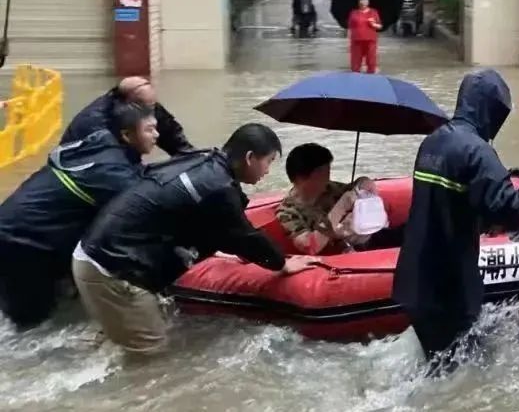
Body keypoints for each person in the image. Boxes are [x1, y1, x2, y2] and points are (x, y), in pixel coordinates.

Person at [392, 69, 519, 373]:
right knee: (454, 374)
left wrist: (481, 220)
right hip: (448, 290)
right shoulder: (478, 153)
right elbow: (513, 212)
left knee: (435, 365)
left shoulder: (432, 142)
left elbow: (448, 205)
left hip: (414, 282)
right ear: (492, 110)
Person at [72, 123, 316, 356]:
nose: (268, 171)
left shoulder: (204, 162)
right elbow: (244, 235)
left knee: (119, 342)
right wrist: (282, 263)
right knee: (151, 358)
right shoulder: (219, 187)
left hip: (96, 254)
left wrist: (215, 248)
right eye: (268, 161)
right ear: (250, 157)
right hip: (110, 268)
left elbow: (198, 220)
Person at [0, 102, 158, 330]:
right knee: (32, 326)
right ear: (126, 135)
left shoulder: (98, 143)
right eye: (149, 130)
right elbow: (145, 219)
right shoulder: (114, 174)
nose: (156, 135)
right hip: (22, 242)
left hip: (14, 225)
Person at [276, 143, 379, 255]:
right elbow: (310, 246)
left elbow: (358, 186)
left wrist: (365, 183)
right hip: (336, 258)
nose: (328, 178)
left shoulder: (330, 188)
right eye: (324, 174)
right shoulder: (288, 212)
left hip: (367, 240)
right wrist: (341, 207)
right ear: (302, 178)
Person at [62, 76, 192, 156]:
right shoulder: (97, 125)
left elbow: (168, 130)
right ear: (130, 103)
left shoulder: (144, 106)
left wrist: (189, 156)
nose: (156, 134)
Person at [348, 0, 382, 73]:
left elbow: (379, 26)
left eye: (365, 0)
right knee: (355, 62)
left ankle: (371, 75)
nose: (363, 2)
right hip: (356, 40)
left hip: (370, 40)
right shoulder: (353, 13)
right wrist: (349, 40)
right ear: (358, 2)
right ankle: (355, 76)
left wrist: (373, 24)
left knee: (371, 60)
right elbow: (350, 27)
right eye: (362, 0)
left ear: (368, 2)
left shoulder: (373, 12)